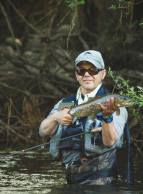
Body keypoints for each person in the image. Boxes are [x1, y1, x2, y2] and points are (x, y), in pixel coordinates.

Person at [39, 50, 128, 185]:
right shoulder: (64, 104)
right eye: (82, 71)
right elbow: (43, 131)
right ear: (76, 75)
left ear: (103, 74)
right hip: (72, 185)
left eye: (93, 70)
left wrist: (107, 117)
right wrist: (55, 117)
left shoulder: (115, 105)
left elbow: (110, 142)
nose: (87, 74)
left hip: (103, 186)